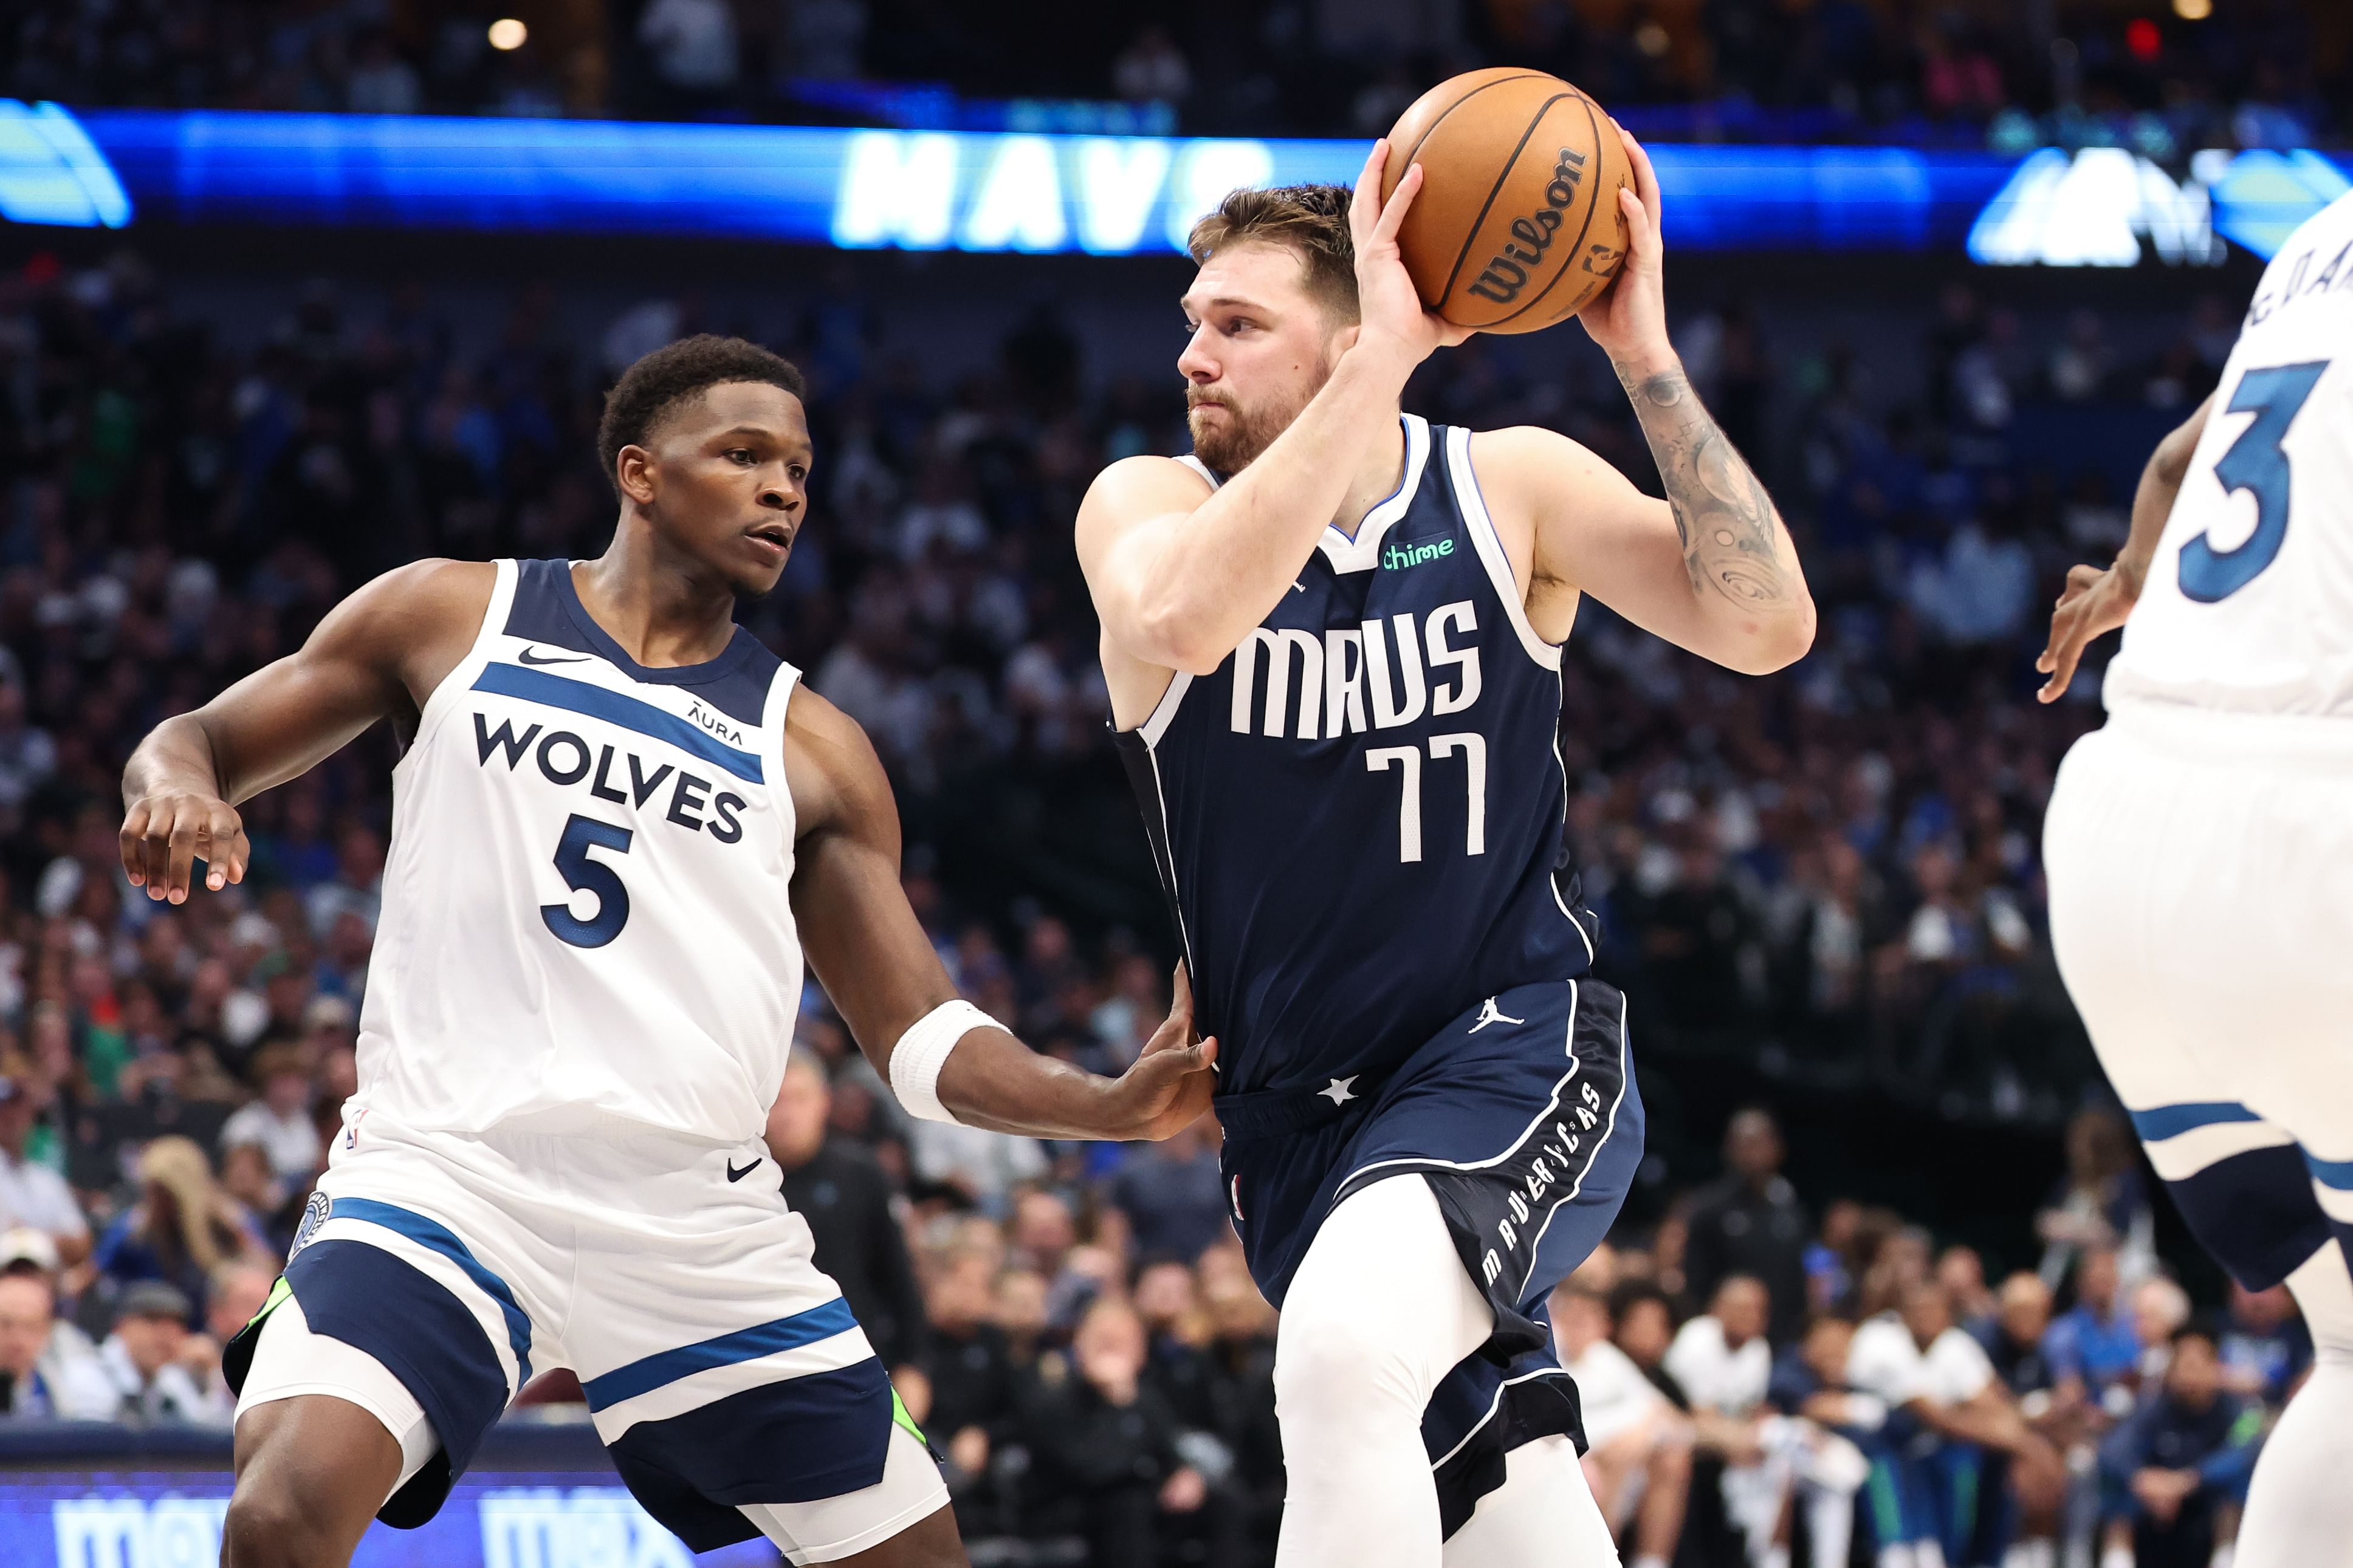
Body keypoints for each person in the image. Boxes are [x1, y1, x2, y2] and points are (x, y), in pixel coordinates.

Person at [116, 334, 1216, 1568]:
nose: (783, 489)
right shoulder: (451, 612)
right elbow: (200, 734)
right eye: (743, 456)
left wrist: (1106, 1105)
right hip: (452, 1176)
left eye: (799, 467)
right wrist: (178, 789)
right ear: (638, 473)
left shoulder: (814, 743)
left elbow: (916, 1033)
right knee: (281, 1511)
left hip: (697, 1223)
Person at [1074, 131, 1812, 1566]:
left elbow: (1767, 626)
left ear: (1362, 335)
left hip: (1512, 1042)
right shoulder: (1148, 505)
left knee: (1349, 1352)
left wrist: (1646, 360)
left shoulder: (1507, 485)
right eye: (1191, 326)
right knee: (1501, 1500)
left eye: (1238, 326)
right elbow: (1180, 627)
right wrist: (1365, 387)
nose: (1194, 358)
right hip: (1294, 1116)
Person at [2038, 187, 2353, 1566]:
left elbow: (2179, 457)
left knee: (2348, 1351)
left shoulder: (2316, 239)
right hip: (2312, 839)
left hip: (2120, 827)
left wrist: (2124, 578)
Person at [767, 1052, 930, 1374]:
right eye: (776, 1102)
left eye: (800, 1099)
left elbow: (899, 1276)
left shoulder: (861, 1174)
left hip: (857, 1357)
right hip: (771, 1360)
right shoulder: (740, 1183)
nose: (788, 1114)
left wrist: (914, 1364)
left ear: (824, 1102)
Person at [2095, 1324, 2261, 1568]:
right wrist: (2141, 1479)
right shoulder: (2153, 1407)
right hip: (2158, 1508)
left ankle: (2227, 1561)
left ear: (2216, 1369)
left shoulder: (2242, 1410)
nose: (2190, 1376)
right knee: (2113, 1484)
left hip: (2208, 1503)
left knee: (2239, 1484)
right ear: (2170, 1373)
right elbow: (2113, 1448)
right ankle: (2117, 1561)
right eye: (2182, 1365)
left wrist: (2189, 1481)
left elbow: (2246, 1450)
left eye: (2198, 1366)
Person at [1550, 1276, 1689, 1568]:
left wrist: (1638, 1432)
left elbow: (1667, 1416)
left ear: (1604, 1326)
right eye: (1572, 1317)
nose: (1579, 1327)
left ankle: (1651, 1563)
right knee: (1612, 1457)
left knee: (1671, 1457)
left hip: (1619, 1463)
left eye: (1588, 1318)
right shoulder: (1545, 1355)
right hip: (1560, 1458)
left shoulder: (1608, 1360)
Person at [1684, 1108, 1813, 1344]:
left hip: (1780, 1340)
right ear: (1728, 1149)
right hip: (1723, 1341)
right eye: (1742, 1144)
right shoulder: (1709, 1208)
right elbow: (1694, 1280)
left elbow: (1797, 1280)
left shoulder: (1791, 1210)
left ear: (1777, 1149)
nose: (1750, 1154)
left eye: (1757, 1144)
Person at [0, 1259, 119, 1420]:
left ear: (47, 1331)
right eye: (6, 1325)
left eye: (30, 1327)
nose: (18, 1339)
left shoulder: (66, 1389)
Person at [99, 1279, 214, 1424]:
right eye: (153, 1321)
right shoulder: (90, 1372)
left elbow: (206, 1432)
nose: (165, 1336)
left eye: (176, 1324)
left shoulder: (172, 1379)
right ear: (120, 1326)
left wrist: (213, 1377)